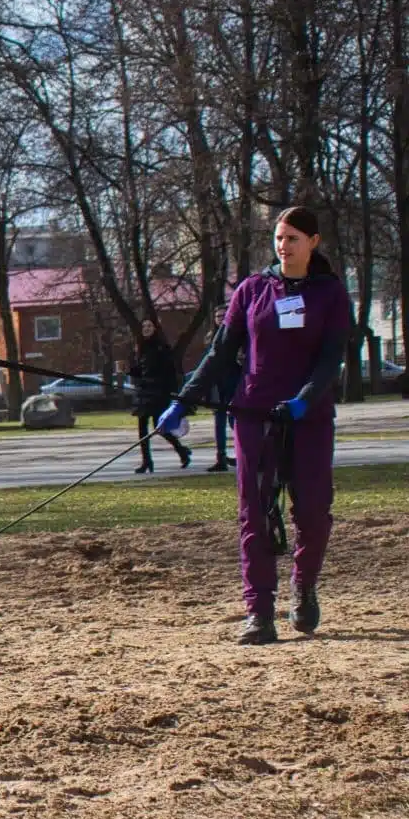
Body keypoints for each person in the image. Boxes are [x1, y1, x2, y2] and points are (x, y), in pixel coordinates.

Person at [165, 206, 351, 645]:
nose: (283, 246)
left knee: (313, 513)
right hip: (254, 415)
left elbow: (331, 358)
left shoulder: (330, 293)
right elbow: (220, 352)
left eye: (292, 239)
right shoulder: (252, 291)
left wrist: (305, 400)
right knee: (255, 514)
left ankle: (303, 586)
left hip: (309, 418)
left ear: (313, 243)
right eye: (279, 238)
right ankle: (259, 612)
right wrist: (184, 401)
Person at [131, 320, 192, 474]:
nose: (146, 329)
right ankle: (146, 461)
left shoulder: (162, 348)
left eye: (149, 326)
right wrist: (130, 370)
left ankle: (182, 451)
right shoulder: (140, 348)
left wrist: (171, 392)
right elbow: (139, 371)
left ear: (155, 329)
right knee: (142, 429)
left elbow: (170, 372)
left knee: (160, 427)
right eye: (144, 326)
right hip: (144, 393)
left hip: (158, 393)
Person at [208, 310, 239, 474]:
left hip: (233, 381)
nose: (220, 319)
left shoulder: (236, 333)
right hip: (217, 384)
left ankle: (242, 452)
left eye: (223, 315)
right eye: (217, 316)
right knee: (218, 421)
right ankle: (220, 457)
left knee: (234, 420)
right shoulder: (212, 338)